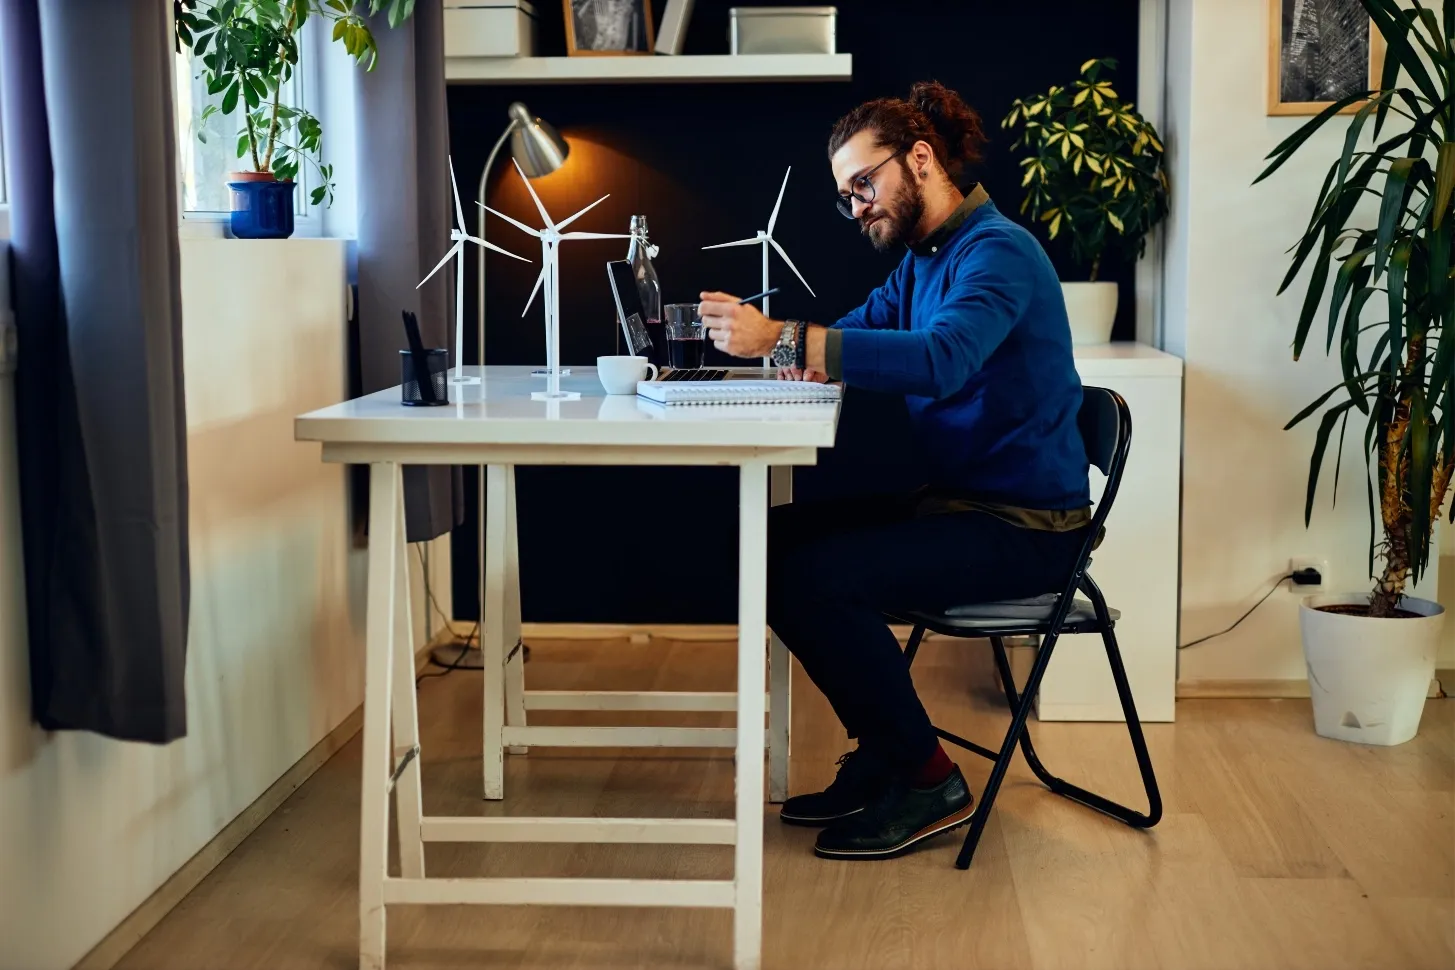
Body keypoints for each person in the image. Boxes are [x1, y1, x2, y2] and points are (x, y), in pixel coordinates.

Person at [698, 82, 1091, 861]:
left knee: (816, 575)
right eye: (846, 198)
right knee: (767, 543)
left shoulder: (995, 252)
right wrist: (773, 354)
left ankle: (926, 776)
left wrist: (780, 339)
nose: (858, 208)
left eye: (863, 185)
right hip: (960, 506)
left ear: (918, 158)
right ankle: (886, 748)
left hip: (1027, 529)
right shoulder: (923, 261)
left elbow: (942, 359)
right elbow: (849, 337)